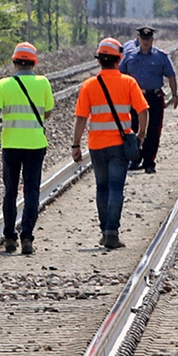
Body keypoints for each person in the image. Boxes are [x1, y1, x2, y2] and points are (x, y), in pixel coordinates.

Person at [71, 37, 149, 249]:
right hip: (119, 145)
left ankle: (104, 230)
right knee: (116, 187)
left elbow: (81, 117)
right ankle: (112, 233)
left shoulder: (88, 85)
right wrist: (141, 134)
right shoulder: (129, 82)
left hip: (96, 145)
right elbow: (143, 111)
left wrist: (75, 145)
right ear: (119, 59)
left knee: (102, 188)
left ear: (99, 61)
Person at [0, 42, 55, 255]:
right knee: (32, 190)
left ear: (14, 62)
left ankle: (9, 237)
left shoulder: (3, 84)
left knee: (10, 191)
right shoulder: (43, 83)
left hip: (11, 144)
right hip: (35, 144)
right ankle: (27, 237)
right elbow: (48, 113)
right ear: (34, 63)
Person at [118, 25, 178, 173]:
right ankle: (135, 159)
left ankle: (149, 161)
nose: (145, 42)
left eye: (148, 39)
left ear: (152, 39)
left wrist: (174, 94)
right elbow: (120, 76)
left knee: (153, 130)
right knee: (133, 128)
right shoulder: (130, 56)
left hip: (154, 97)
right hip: (135, 97)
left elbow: (171, 75)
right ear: (138, 39)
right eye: (143, 39)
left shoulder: (161, 56)